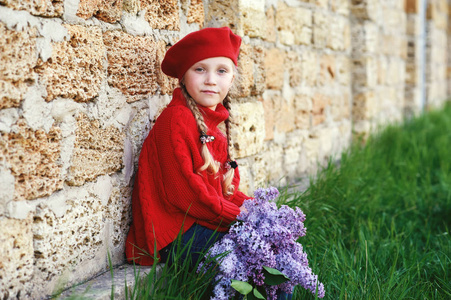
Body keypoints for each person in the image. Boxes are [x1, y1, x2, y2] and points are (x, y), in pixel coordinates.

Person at [125, 27, 249, 267]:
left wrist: (258, 210)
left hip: (199, 222)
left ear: (232, 78)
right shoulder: (175, 120)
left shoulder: (214, 129)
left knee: (271, 250)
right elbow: (187, 195)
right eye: (200, 69)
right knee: (254, 259)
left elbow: (224, 193)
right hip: (175, 232)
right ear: (183, 77)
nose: (211, 80)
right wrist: (243, 218)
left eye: (221, 71)